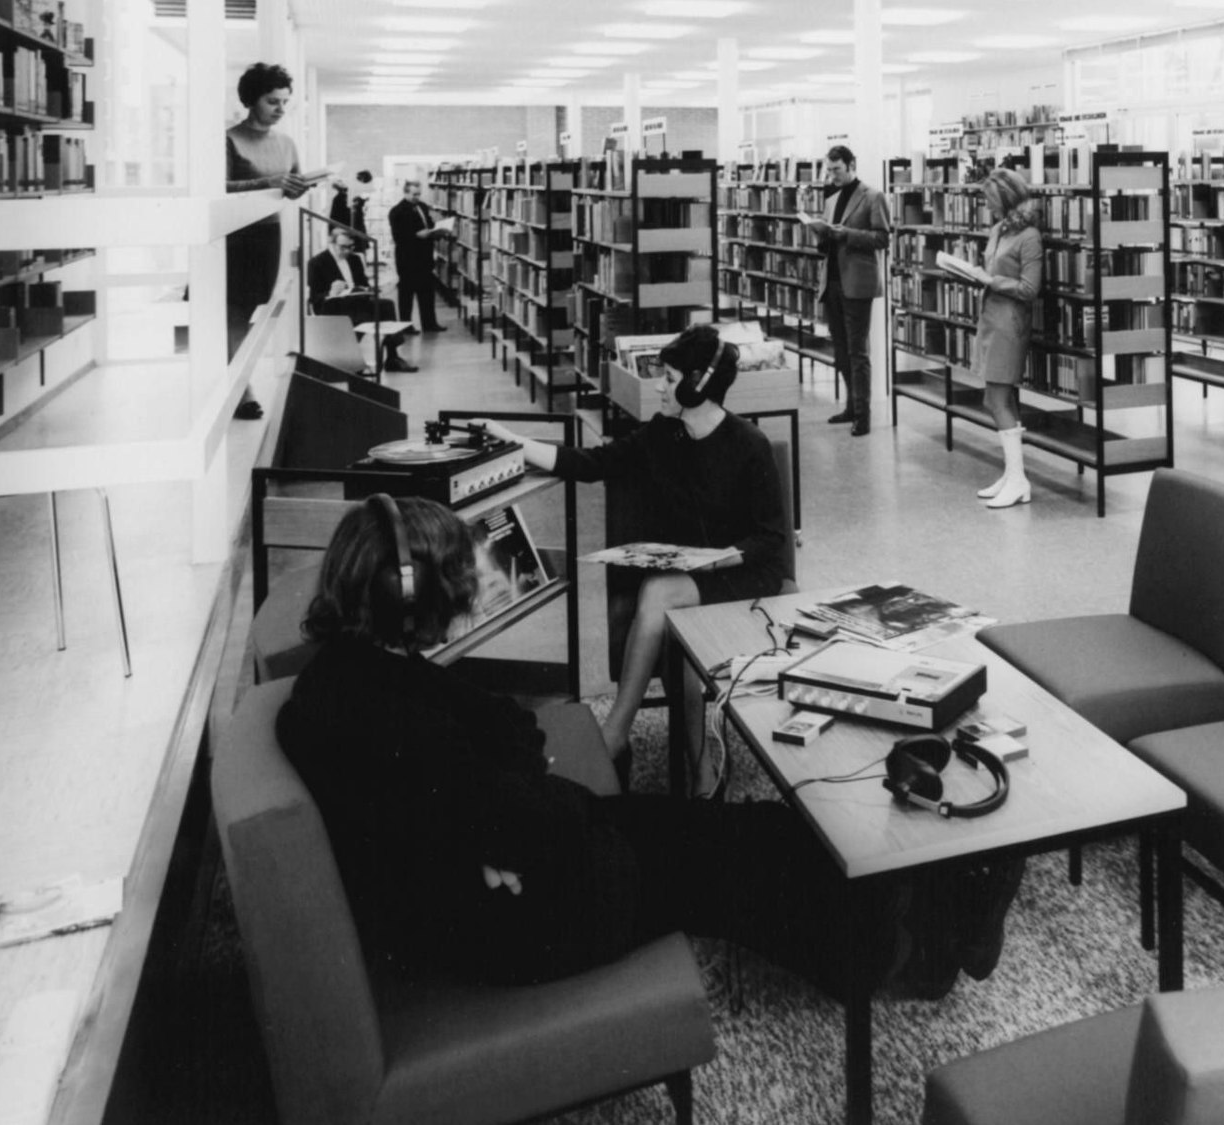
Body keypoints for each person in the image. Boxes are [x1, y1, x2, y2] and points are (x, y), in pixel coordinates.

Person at [276, 492, 1023, 997]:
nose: (466, 600)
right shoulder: (384, 713)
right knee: (727, 873)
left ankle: (913, 912)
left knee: (728, 834)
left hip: (511, 878)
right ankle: (914, 951)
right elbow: (522, 791)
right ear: (411, 597)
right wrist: (505, 827)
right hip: (504, 926)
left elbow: (515, 730)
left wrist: (499, 826)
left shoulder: (354, 673)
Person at [478, 325, 782, 778]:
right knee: (673, 617)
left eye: (669, 376)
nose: (659, 386)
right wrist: (515, 442)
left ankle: (616, 733)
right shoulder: (661, 435)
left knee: (659, 592)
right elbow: (591, 464)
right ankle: (699, 768)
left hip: (741, 573)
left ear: (697, 383)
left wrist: (719, 558)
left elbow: (772, 539)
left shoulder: (749, 444)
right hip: (689, 578)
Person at [225, 62, 311, 419]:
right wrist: (269, 183)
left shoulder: (287, 143)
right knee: (233, 316)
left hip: (267, 235)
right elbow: (219, 188)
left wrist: (296, 187)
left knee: (250, 313)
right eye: (273, 101)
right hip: (234, 238)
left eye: (284, 102)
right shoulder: (229, 139)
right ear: (251, 99)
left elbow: (289, 186)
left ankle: (236, 386)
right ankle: (242, 392)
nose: (280, 109)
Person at [966, 169, 1045, 509]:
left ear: (1007, 199)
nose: (987, 207)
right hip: (990, 319)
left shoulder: (1029, 236)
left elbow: (1030, 289)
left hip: (1010, 325)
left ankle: (1018, 478)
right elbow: (991, 271)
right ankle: (1013, 475)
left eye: (991, 200)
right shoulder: (998, 230)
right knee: (1000, 400)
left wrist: (990, 280)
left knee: (995, 400)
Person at [804, 145, 889, 436]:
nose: (832, 175)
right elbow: (828, 239)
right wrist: (822, 236)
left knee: (857, 352)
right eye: (828, 170)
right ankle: (852, 406)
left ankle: (863, 416)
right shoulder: (832, 197)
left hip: (857, 284)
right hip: (833, 282)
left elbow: (882, 238)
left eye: (837, 169)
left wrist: (847, 235)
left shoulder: (873, 196)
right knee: (841, 351)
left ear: (852, 165)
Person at [307, 226, 417, 372]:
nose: (347, 251)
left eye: (351, 247)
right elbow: (315, 298)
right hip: (334, 307)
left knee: (386, 305)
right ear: (332, 243)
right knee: (362, 318)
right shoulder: (317, 263)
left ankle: (392, 357)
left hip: (357, 302)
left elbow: (363, 285)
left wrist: (372, 289)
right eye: (343, 247)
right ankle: (350, 360)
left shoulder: (355, 259)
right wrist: (331, 292)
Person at [387, 179, 451, 332]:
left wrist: (436, 232)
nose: (417, 197)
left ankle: (429, 324)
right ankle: (406, 326)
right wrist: (416, 235)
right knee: (406, 294)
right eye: (414, 194)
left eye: (419, 194)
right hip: (407, 259)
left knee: (427, 293)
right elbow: (398, 237)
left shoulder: (422, 206)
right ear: (406, 192)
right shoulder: (397, 211)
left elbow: (428, 225)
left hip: (424, 257)